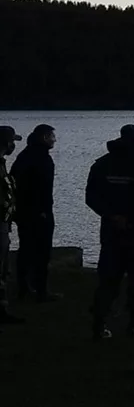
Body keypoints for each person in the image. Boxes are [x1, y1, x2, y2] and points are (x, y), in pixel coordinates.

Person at [86, 124, 134, 339]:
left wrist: (112, 215)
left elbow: (91, 196)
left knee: (108, 275)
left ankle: (99, 323)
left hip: (111, 230)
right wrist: (130, 217)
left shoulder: (102, 164)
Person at [11, 124, 59, 301]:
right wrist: (42, 210)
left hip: (25, 211)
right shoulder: (41, 158)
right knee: (41, 252)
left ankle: (25, 287)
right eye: (52, 136)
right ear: (44, 137)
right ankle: (39, 289)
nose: (54, 140)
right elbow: (40, 188)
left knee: (26, 249)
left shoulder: (25, 156)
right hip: (38, 213)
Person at [0, 125, 25, 324]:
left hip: (4, 223)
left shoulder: (2, 164)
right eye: (11, 142)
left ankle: (2, 309)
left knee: (3, 268)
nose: (13, 146)